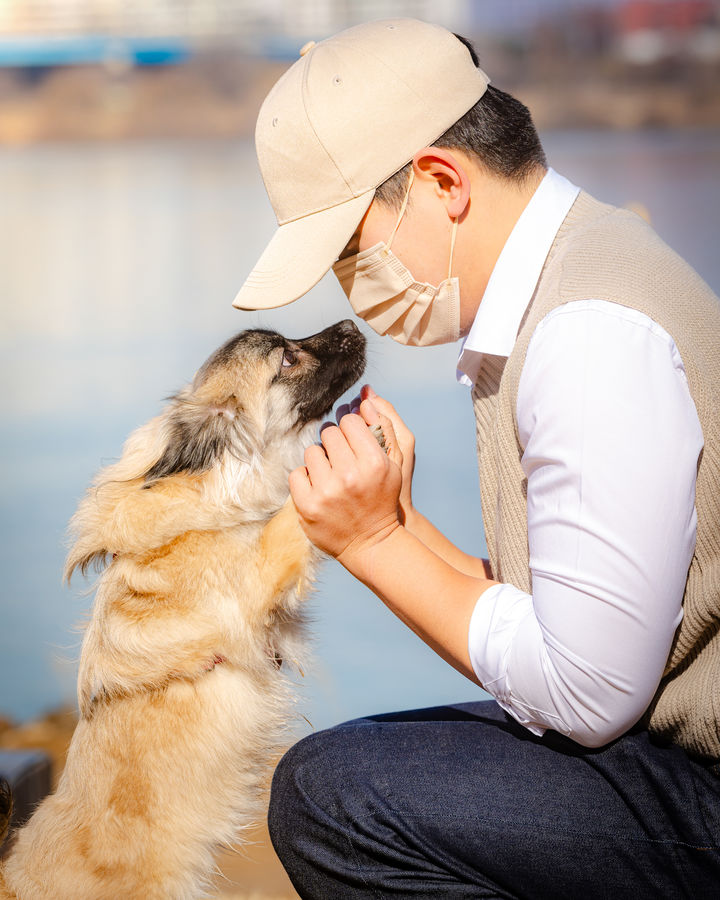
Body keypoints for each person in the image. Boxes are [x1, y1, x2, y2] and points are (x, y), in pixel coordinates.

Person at [233, 18, 720, 899]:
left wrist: (375, 545)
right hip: (679, 748)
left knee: (335, 797)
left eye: (350, 252)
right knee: (347, 773)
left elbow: (587, 695)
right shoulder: (570, 279)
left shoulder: (585, 336)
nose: (354, 291)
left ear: (443, 182)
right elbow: (575, 614)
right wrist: (402, 524)